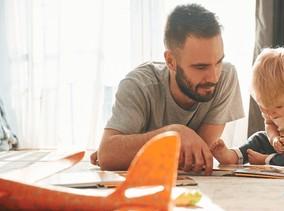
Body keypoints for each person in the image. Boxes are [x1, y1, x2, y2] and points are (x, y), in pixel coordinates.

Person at [91, 3, 244, 175]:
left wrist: (129, 152)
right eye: (200, 67)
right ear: (171, 61)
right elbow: (107, 156)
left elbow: (199, 158)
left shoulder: (226, 76)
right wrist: (173, 133)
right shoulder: (139, 85)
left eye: (218, 62)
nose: (214, 77)